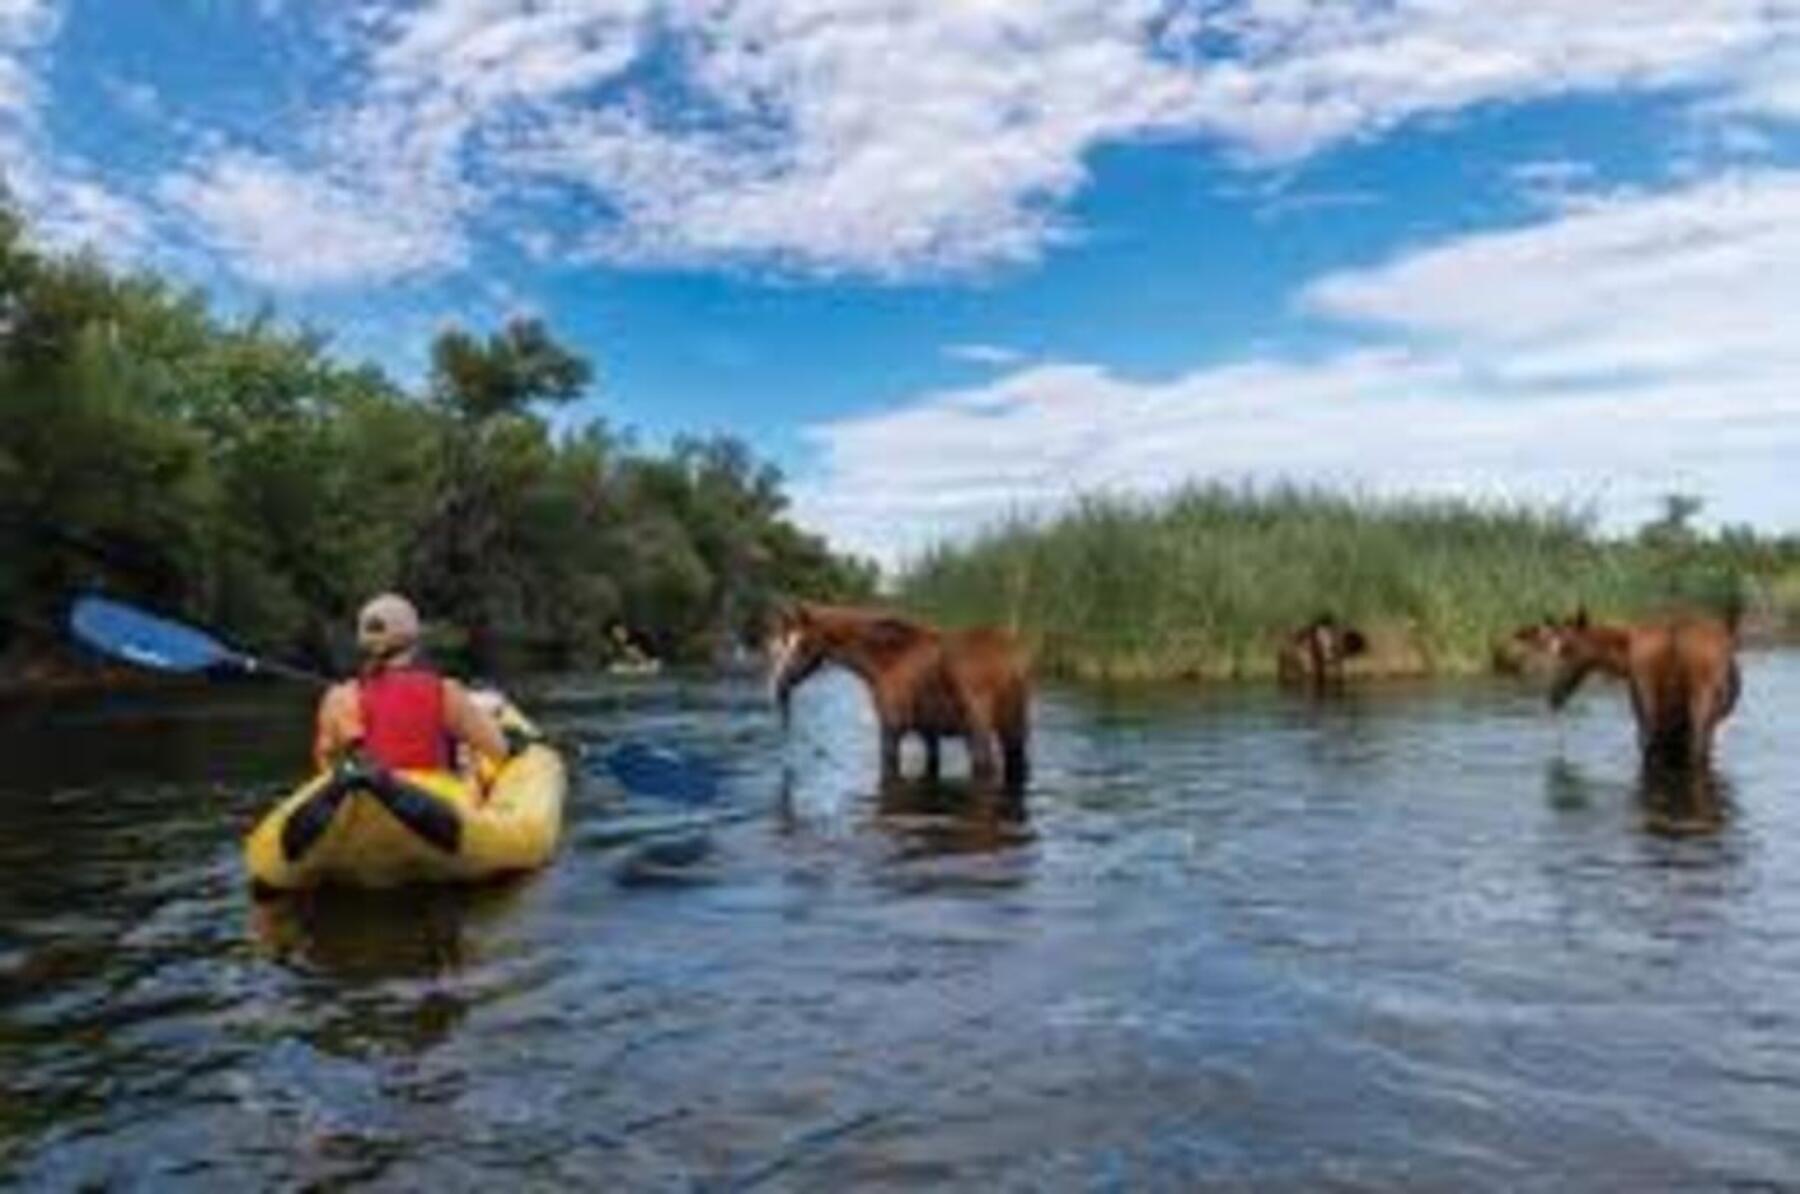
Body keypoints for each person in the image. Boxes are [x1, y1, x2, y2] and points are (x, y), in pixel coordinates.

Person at [312, 593, 510, 778]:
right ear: (413, 640)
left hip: (368, 797)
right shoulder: (445, 691)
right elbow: (498, 749)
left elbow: (327, 764)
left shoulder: (339, 697)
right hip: (430, 801)